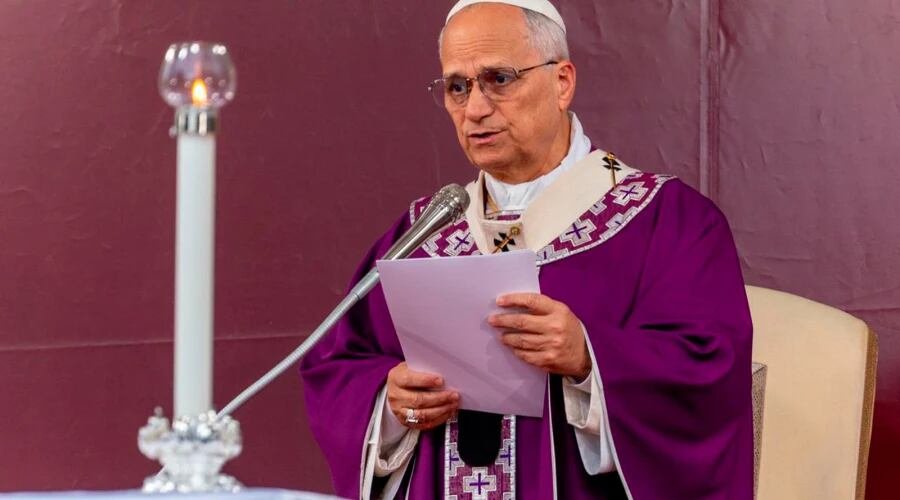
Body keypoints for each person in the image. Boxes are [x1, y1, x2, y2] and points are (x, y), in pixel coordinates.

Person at [300, 1, 753, 498]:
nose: (475, 109)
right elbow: (339, 369)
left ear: (562, 82)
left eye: (499, 79)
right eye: (457, 87)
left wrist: (588, 357)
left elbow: (710, 377)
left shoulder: (667, 221)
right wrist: (390, 402)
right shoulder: (422, 234)